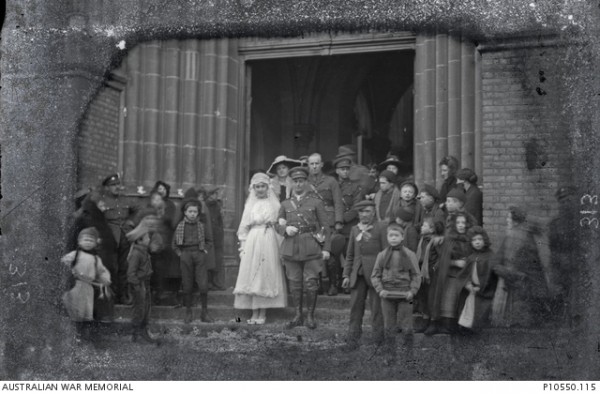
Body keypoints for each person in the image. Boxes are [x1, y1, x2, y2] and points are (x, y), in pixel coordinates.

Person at [276, 166, 331, 330]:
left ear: (306, 182)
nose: (298, 184)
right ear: (291, 183)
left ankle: (310, 316)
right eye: (295, 181)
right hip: (291, 248)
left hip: (311, 247)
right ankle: (298, 315)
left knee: (311, 283)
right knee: (294, 283)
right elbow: (276, 224)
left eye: (301, 181)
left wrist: (326, 248)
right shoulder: (285, 204)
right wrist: (284, 230)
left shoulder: (316, 202)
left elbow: (325, 227)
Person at [234, 173, 287, 324]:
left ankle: (262, 312)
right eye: (257, 187)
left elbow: (279, 225)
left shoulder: (274, 204)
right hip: (253, 239)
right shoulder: (250, 204)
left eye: (263, 186)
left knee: (264, 273)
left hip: (268, 238)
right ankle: (253, 312)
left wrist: (280, 245)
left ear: (267, 187)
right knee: (252, 274)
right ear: (253, 188)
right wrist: (243, 246)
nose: (260, 189)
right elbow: (244, 226)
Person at [491, 206, 550, 328]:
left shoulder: (520, 238)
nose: (507, 221)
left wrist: (507, 272)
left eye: (509, 218)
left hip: (523, 287)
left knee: (523, 321)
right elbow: (498, 258)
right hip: (516, 283)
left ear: (515, 221)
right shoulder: (512, 236)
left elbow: (525, 268)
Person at [371, 223, 420, 363]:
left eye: (396, 235)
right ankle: (390, 356)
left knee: (407, 327)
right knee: (389, 327)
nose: (393, 238)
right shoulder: (382, 255)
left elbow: (416, 275)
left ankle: (408, 356)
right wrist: (380, 290)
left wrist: (413, 290)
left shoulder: (410, 255)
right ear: (387, 237)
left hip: (405, 295)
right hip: (387, 295)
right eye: (390, 235)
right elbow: (375, 275)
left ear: (402, 237)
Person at [341, 200, 387, 350]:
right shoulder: (355, 229)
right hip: (357, 274)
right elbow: (350, 255)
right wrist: (346, 275)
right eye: (361, 212)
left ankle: (378, 342)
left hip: (375, 275)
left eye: (367, 211)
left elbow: (386, 253)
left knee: (377, 309)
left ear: (373, 212)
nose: (364, 214)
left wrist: (383, 275)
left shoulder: (380, 228)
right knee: (355, 308)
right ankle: (352, 340)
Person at [61, 227, 112, 343]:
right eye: (86, 240)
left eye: (91, 240)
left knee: (86, 311)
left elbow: (101, 271)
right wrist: (70, 270)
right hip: (75, 285)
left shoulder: (95, 258)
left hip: (88, 288)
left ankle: (82, 335)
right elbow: (64, 261)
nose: (88, 242)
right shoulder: (75, 254)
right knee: (74, 310)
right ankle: (72, 335)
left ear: (95, 243)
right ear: (79, 241)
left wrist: (105, 279)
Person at [426, 212, 474, 335]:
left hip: (467, 277)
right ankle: (440, 323)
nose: (461, 225)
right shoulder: (449, 239)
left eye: (463, 222)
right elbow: (443, 259)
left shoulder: (471, 239)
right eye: (458, 223)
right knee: (448, 302)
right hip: (451, 276)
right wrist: (455, 263)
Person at [307, 153, 344, 294]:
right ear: (308, 165)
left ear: (322, 164)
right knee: (313, 253)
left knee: (330, 254)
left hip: (328, 220)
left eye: (317, 163)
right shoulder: (305, 182)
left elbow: (338, 202)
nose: (315, 166)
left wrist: (338, 221)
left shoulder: (331, 181)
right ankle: (317, 284)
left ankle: (333, 284)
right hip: (311, 220)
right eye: (312, 164)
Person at [100, 174, 140, 304]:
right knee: (110, 267)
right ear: (106, 188)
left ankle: (122, 296)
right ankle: (110, 296)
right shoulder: (102, 201)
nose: (116, 187)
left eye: (117, 184)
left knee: (124, 267)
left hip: (124, 237)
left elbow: (138, 210)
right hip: (109, 238)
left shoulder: (126, 199)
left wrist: (131, 222)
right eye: (113, 185)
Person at [172, 199, 214, 323]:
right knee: (187, 284)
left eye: (195, 212)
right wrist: (181, 254)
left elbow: (209, 241)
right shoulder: (180, 226)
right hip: (185, 254)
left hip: (199, 254)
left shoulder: (202, 226)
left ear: (198, 213)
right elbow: (174, 244)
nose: (192, 214)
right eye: (190, 211)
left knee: (203, 284)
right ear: (185, 212)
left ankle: (204, 313)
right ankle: (188, 312)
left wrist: (204, 251)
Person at [330, 154, 363, 296]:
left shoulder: (355, 187)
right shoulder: (331, 185)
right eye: (342, 169)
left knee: (350, 255)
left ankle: (348, 282)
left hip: (349, 226)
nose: (345, 172)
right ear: (337, 171)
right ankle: (334, 284)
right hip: (332, 225)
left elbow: (356, 208)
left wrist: (341, 219)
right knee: (333, 257)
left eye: (347, 169)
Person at [459, 226, 496, 332]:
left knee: (480, 321)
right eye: (474, 240)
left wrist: (480, 289)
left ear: (484, 240)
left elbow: (490, 278)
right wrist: (468, 284)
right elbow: (464, 275)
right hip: (472, 291)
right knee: (468, 317)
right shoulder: (471, 257)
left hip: (484, 293)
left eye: (479, 239)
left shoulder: (490, 256)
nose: (477, 242)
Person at [126, 224, 158, 344]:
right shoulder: (136, 253)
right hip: (139, 284)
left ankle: (141, 332)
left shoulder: (144, 251)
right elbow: (131, 273)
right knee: (139, 309)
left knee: (145, 309)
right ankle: (138, 333)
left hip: (145, 283)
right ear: (139, 240)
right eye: (147, 238)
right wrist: (137, 286)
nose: (149, 240)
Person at [413, 216, 443, 333]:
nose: (422, 227)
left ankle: (433, 322)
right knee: (422, 297)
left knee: (432, 298)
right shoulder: (422, 240)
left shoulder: (436, 241)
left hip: (431, 274)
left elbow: (441, 258)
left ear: (432, 229)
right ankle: (425, 320)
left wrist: (435, 268)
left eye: (425, 225)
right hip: (420, 272)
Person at [201, 186, 226, 291]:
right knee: (208, 259)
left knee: (217, 260)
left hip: (217, 236)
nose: (214, 197)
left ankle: (216, 281)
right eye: (211, 194)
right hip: (208, 236)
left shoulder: (218, 206)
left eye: (215, 194)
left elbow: (220, 221)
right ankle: (208, 282)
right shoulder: (204, 206)